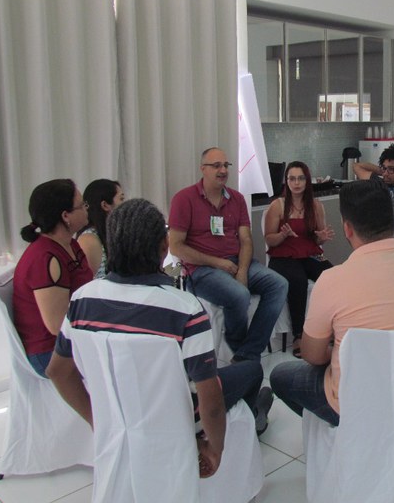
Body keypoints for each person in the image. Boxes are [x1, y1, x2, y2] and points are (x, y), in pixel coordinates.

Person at [47, 199, 274, 480]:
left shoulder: (81, 301)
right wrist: (214, 448)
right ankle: (253, 425)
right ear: (164, 247)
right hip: (178, 418)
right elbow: (211, 400)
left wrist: (98, 420)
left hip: (118, 416)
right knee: (252, 370)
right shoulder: (184, 309)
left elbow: (57, 371)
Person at [270, 179, 394, 426]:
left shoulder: (332, 280)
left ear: (347, 228)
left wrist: (346, 353)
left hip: (357, 403)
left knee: (280, 375)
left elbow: (312, 355)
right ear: (391, 218)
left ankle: (343, 430)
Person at [168, 147, 288, 362]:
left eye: (225, 165)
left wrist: (242, 270)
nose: (223, 170)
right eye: (216, 166)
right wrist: (218, 262)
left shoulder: (237, 198)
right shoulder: (184, 199)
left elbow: (246, 240)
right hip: (202, 270)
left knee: (279, 284)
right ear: (203, 169)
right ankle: (240, 348)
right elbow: (176, 247)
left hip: (237, 262)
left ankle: (248, 352)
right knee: (239, 295)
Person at [13, 179, 93, 377]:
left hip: (70, 339)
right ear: (65, 216)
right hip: (50, 352)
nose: (86, 209)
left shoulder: (70, 244)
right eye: (82, 205)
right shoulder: (45, 258)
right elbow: (57, 325)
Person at [265, 161, 335, 358]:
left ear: (307, 181)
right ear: (286, 181)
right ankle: (299, 335)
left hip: (309, 253)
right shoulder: (277, 206)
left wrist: (321, 238)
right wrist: (282, 235)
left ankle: (329, 327)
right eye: (292, 179)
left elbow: (317, 238)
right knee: (298, 281)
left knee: (332, 276)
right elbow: (269, 239)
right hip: (283, 254)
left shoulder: (316, 206)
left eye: (301, 178)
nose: (296, 183)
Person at [77, 179, 125, 279]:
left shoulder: (114, 234)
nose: (126, 205)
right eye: (121, 199)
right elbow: (84, 282)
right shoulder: (89, 239)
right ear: (105, 205)